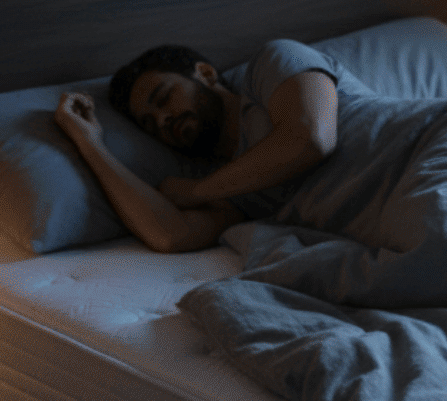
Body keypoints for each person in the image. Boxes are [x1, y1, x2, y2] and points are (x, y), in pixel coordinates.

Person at [52, 42, 344, 253]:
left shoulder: (273, 65)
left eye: (165, 97)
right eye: (151, 125)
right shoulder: (232, 188)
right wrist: (90, 144)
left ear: (205, 74)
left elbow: (311, 139)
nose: (163, 119)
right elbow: (170, 235)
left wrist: (195, 191)